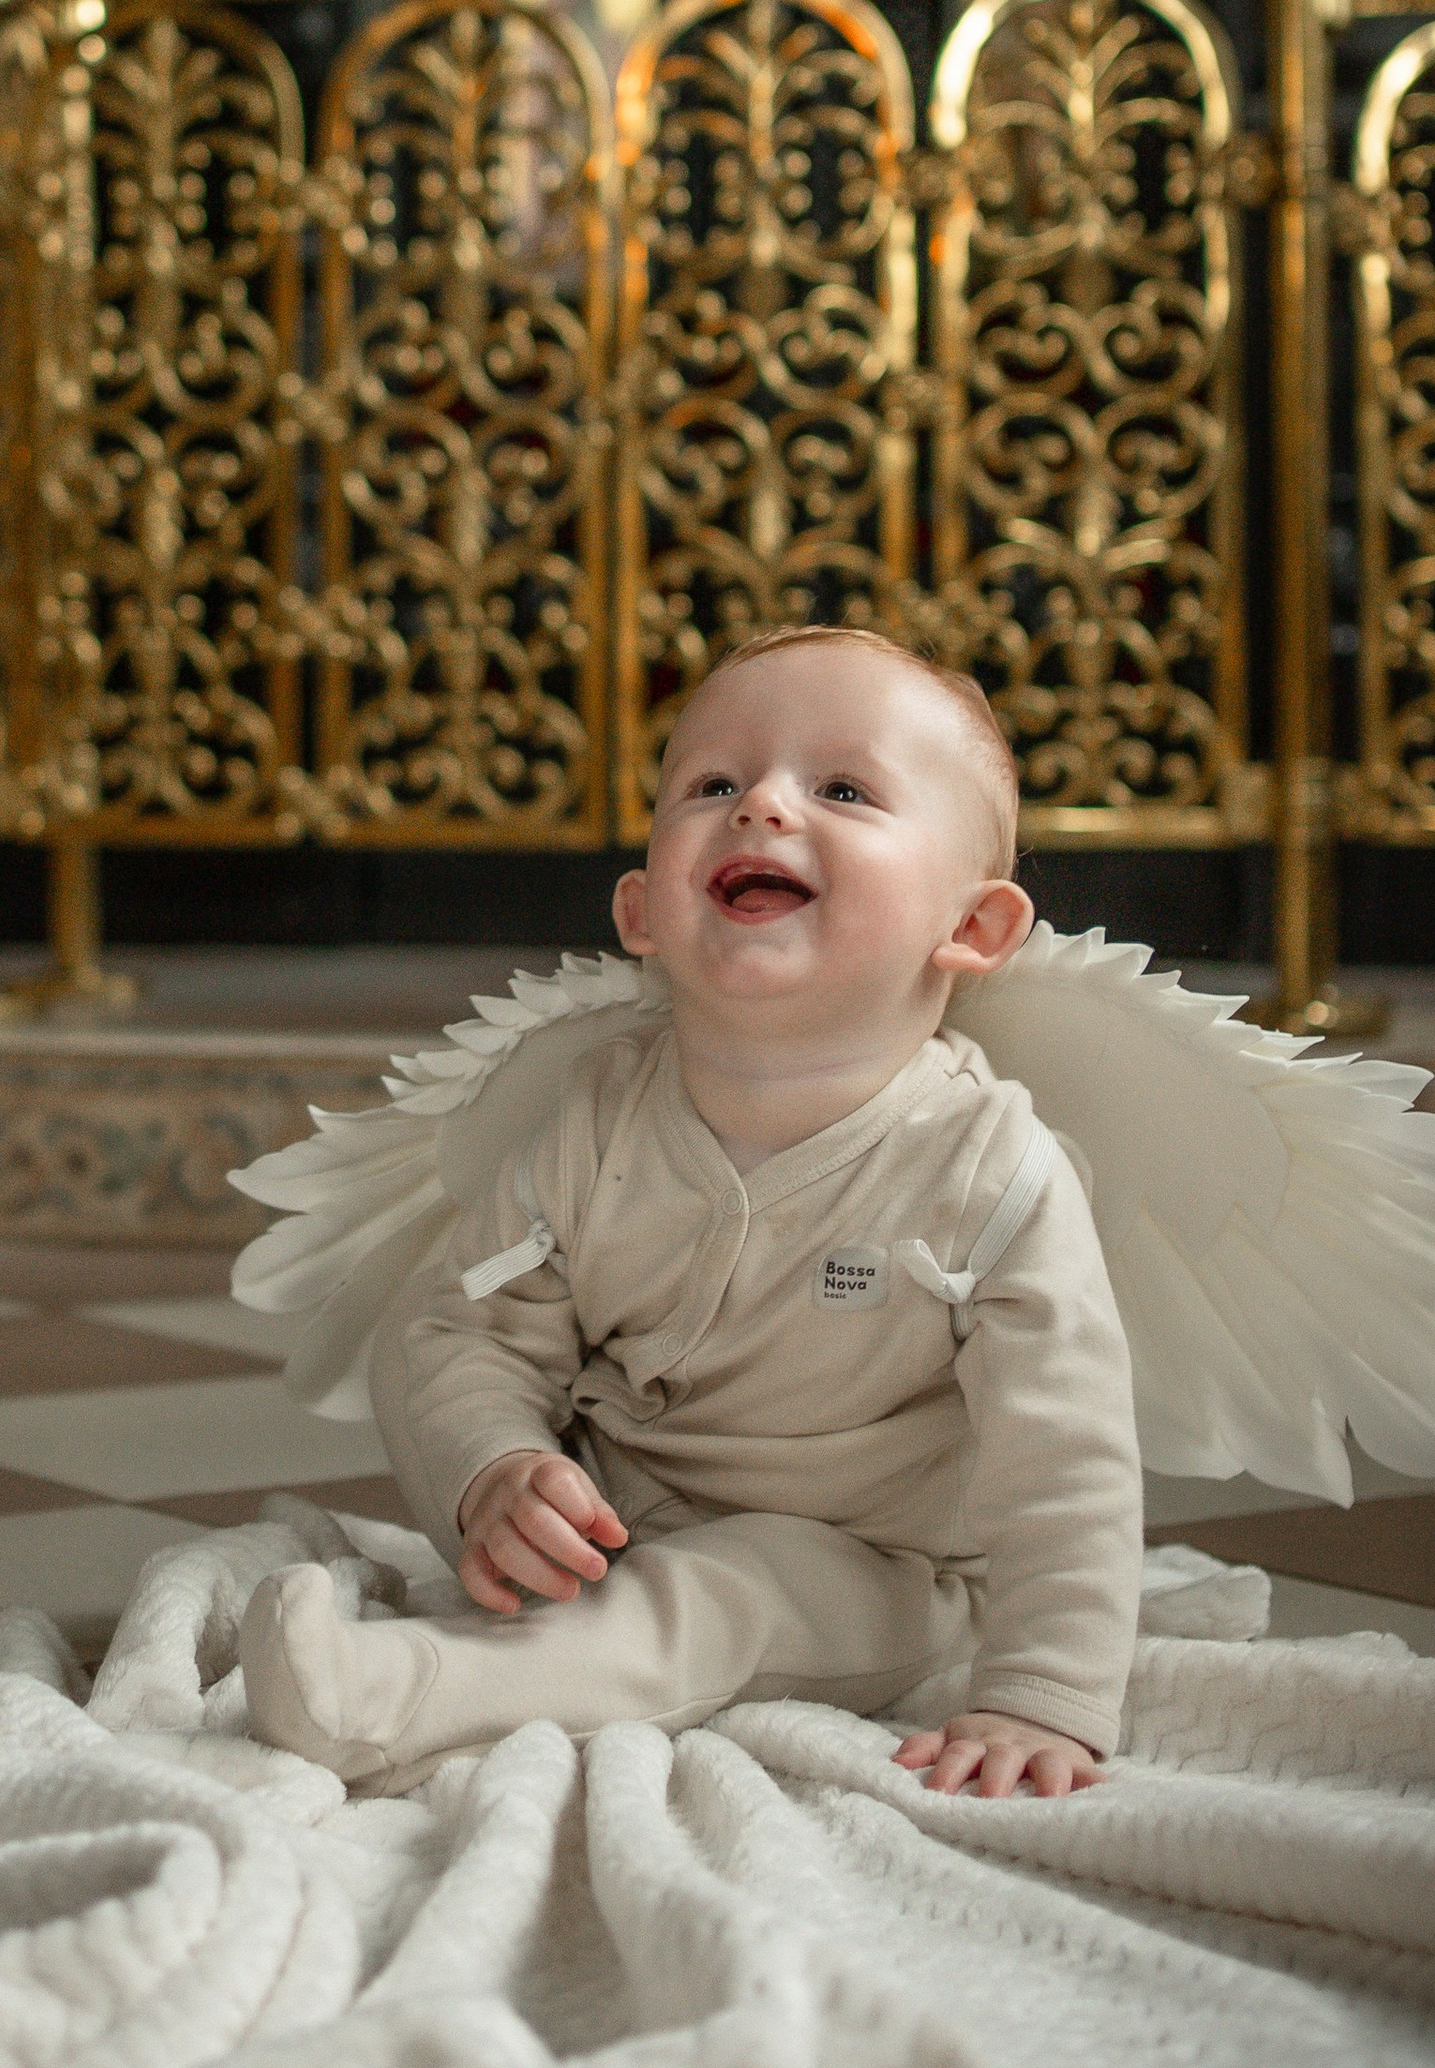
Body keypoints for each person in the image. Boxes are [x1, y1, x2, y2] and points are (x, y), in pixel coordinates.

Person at [240, 627, 1140, 1800]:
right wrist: (495, 1468)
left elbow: (1065, 1458)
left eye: (843, 789)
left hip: (864, 1572)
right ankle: (522, 1610)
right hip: (607, 1511)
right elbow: (465, 1333)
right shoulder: (595, 1114)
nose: (761, 805)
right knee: (467, 1381)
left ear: (970, 929)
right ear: (641, 912)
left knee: (724, 1602)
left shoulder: (988, 1170)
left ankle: (389, 1697)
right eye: (712, 783)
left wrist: (1043, 1692)